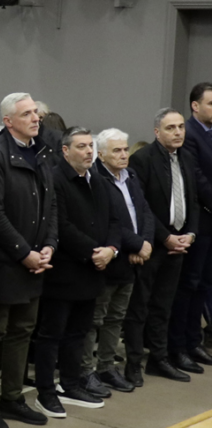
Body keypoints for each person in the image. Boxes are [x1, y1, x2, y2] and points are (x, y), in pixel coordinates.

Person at [0, 93, 57, 428]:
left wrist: (49, 245)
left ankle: (12, 397)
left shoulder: (42, 151)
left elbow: (51, 205)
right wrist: (24, 253)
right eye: (27, 114)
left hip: (36, 260)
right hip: (6, 261)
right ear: (8, 121)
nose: (35, 118)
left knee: (22, 331)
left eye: (36, 112)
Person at [33, 128, 130, 418]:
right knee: (51, 335)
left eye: (91, 146)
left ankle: (71, 384)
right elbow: (61, 225)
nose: (89, 151)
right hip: (64, 271)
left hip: (93, 271)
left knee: (79, 333)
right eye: (81, 146)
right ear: (65, 151)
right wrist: (94, 252)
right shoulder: (56, 179)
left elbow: (115, 220)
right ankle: (45, 392)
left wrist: (111, 249)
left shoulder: (97, 180)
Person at [125, 108, 202, 383]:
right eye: (171, 128)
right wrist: (164, 237)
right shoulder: (142, 159)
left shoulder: (186, 157)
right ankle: (134, 362)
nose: (178, 132)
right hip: (153, 243)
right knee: (140, 306)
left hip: (179, 242)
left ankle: (159, 359)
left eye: (181, 126)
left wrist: (190, 234)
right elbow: (140, 205)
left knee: (163, 305)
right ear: (157, 132)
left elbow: (193, 200)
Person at [85, 128, 154, 392]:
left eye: (125, 149)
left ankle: (106, 367)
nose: (124, 154)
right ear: (101, 154)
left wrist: (146, 243)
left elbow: (145, 211)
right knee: (95, 320)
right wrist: (137, 244)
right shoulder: (95, 179)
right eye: (117, 150)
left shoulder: (130, 175)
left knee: (116, 318)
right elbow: (108, 221)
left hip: (132, 261)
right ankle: (86, 371)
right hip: (110, 260)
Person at [171, 83, 212, 369]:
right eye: (211, 103)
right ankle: (179, 345)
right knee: (189, 283)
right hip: (199, 219)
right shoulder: (189, 134)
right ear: (195, 106)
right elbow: (197, 178)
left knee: (204, 284)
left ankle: (194, 341)